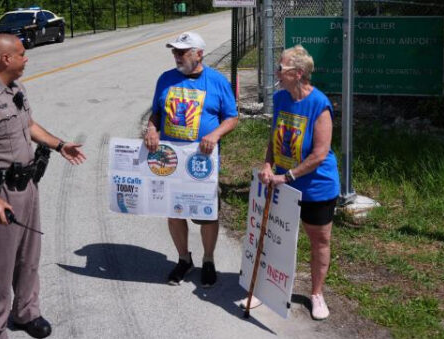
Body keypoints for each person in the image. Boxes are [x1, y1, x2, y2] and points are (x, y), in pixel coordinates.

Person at [0, 33, 86, 339]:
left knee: (29, 257)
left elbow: (29, 125)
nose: (26, 58)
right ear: (6, 59)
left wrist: (59, 145)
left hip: (27, 185)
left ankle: (26, 312)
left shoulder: (16, 88)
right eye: (22, 54)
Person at [143, 31, 238, 287]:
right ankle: (184, 259)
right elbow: (157, 113)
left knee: (207, 213)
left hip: (202, 161)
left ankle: (208, 260)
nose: (177, 56)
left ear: (199, 53)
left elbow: (231, 117)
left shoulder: (217, 81)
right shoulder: (166, 80)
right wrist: (152, 129)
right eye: (174, 52)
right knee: (174, 212)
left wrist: (216, 134)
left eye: (182, 52)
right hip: (170, 158)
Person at [258, 44, 340, 321]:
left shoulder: (320, 104)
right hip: (283, 183)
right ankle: (274, 288)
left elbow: (319, 154)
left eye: (281, 68)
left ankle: (316, 294)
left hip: (316, 187)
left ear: (299, 73)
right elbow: (274, 138)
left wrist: (287, 175)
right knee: (279, 238)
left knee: (319, 240)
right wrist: (268, 164)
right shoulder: (281, 99)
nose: (277, 72)